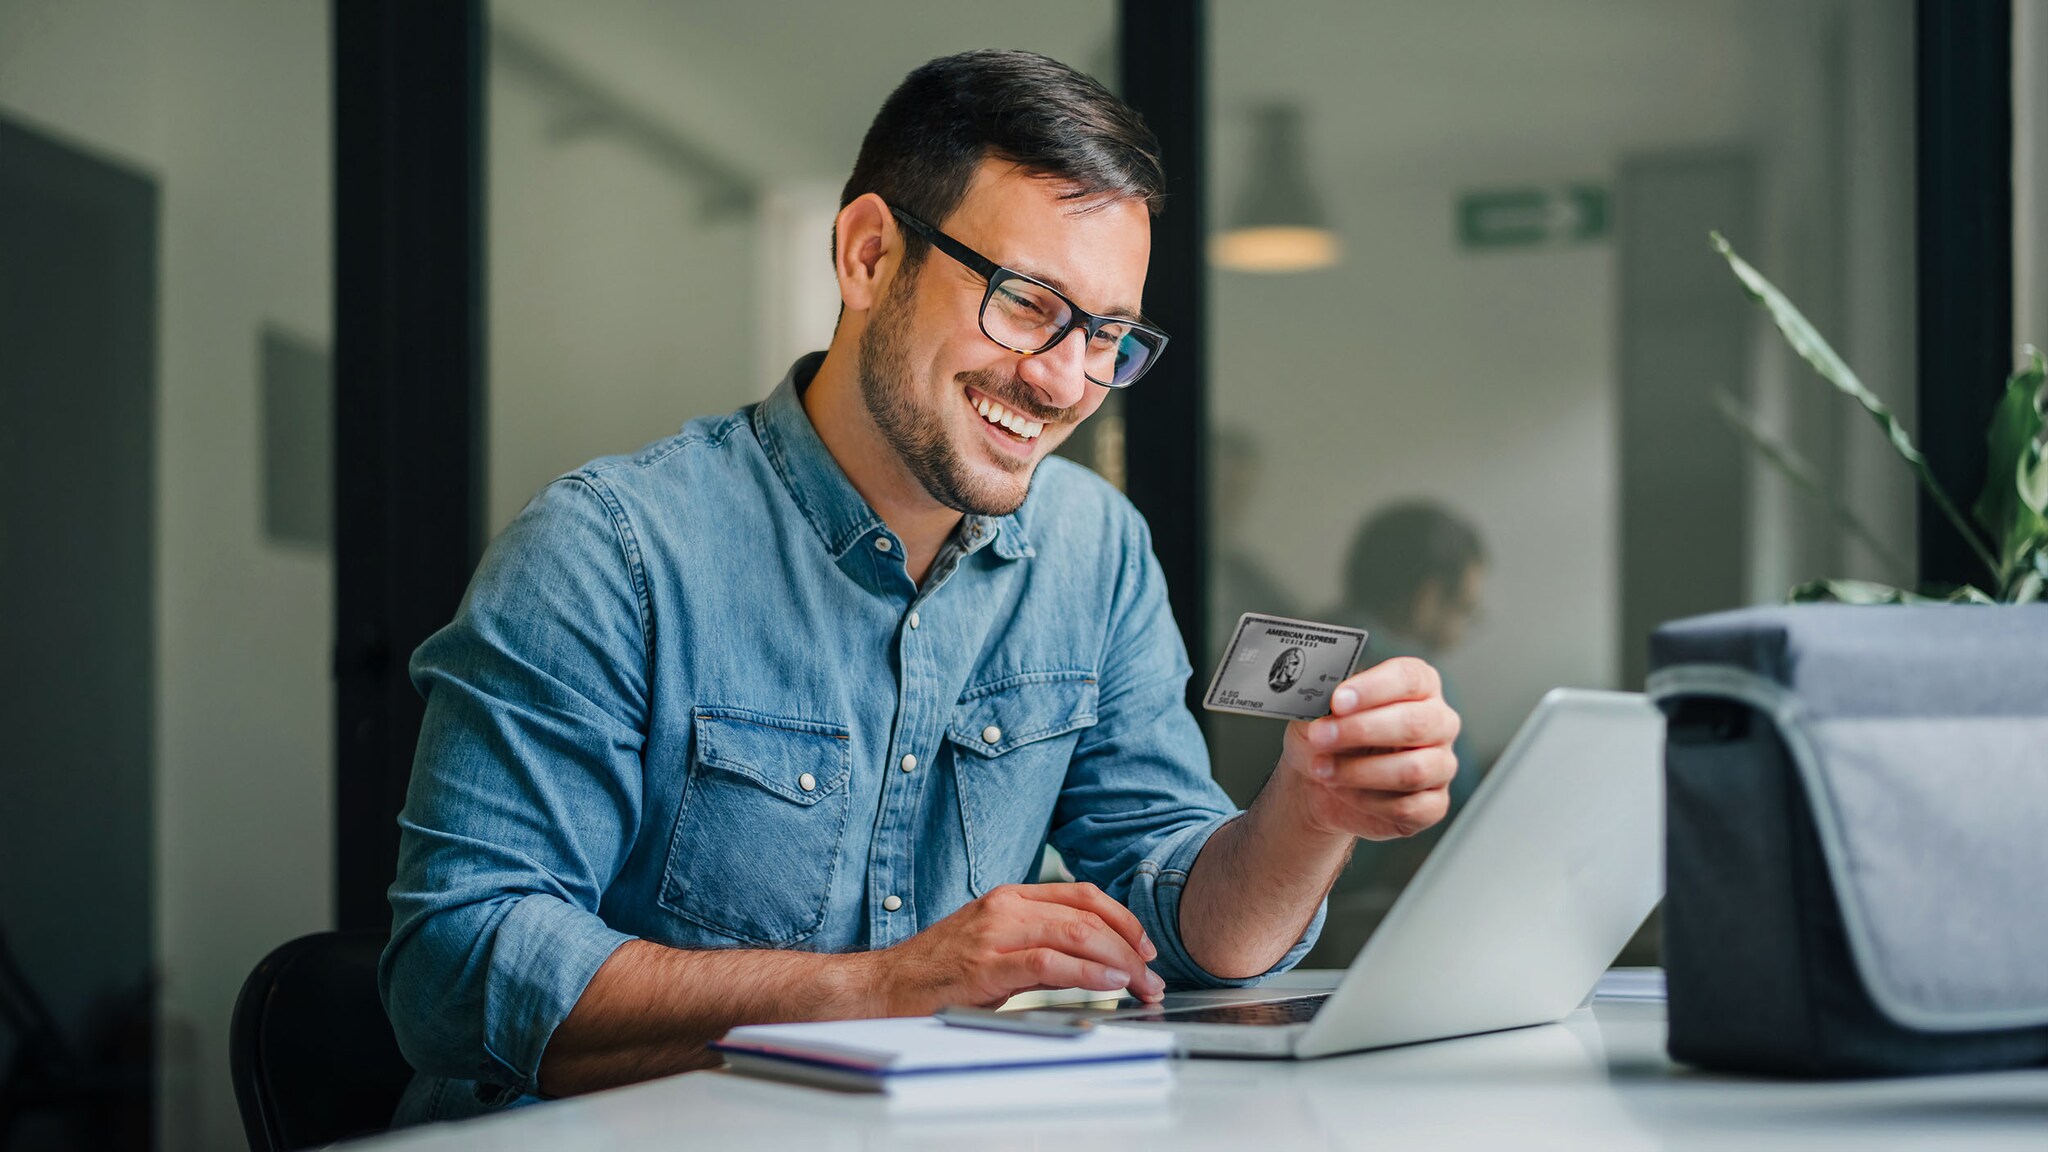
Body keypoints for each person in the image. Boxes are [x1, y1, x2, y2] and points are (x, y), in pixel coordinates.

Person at [380, 50, 1460, 1123]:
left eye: (1107, 335)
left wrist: (1310, 811)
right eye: (1026, 302)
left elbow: (1180, 917)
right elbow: (458, 964)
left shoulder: (1096, 551)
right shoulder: (605, 551)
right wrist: (888, 988)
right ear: (865, 255)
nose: (1061, 381)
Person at [1304, 500, 1487, 966]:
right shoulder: (1415, 675)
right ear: (1428, 595)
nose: (1465, 626)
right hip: (1358, 895)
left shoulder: (1308, 640)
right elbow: (1459, 818)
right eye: (1467, 608)